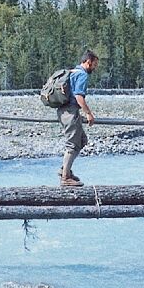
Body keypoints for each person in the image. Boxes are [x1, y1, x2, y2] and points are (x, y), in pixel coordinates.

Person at [58, 50, 99, 187]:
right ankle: (65, 177)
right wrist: (88, 113)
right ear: (88, 62)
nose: (95, 68)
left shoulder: (73, 72)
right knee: (73, 144)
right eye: (94, 64)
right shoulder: (82, 75)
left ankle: (65, 170)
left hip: (65, 111)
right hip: (70, 112)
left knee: (82, 140)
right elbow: (79, 96)